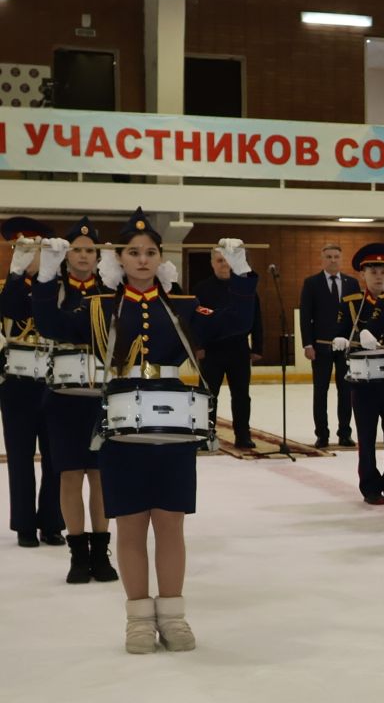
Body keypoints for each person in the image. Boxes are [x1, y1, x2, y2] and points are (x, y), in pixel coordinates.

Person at [32, 212, 256, 651]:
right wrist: (42, 279)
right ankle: (137, 618)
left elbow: (235, 322)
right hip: (120, 431)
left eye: (150, 252)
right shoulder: (99, 307)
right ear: (119, 258)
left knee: (170, 524)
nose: (142, 259)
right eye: (133, 252)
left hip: (172, 430)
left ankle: (172, 615)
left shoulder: (186, 307)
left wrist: (243, 275)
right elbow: (53, 326)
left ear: (160, 259)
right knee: (132, 526)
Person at [38, 219, 116, 582]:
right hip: (64, 397)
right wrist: (43, 279)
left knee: (100, 477)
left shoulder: (110, 287)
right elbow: (47, 325)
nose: (84, 255)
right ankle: (77, 554)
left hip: (101, 396)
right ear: (67, 253)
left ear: (98, 256)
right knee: (69, 475)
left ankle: (101, 552)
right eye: (78, 249)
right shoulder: (52, 287)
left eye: (90, 250)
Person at [1, 218, 66, 548]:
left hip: (54, 382)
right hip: (17, 384)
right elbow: (10, 309)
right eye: (22, 249)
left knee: (56, 458)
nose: (30, 255)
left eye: (35, 248)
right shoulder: (9, 287)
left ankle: (52, 522)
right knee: (20, 457)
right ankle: (24, 524)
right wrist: (15, 274)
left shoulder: (61, 287)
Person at [332, 242, 384, 506]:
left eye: (382, 270)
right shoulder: (352, 303)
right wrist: (344, 340)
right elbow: (340, 332)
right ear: (363, 274)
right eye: (372, 271)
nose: (378, 275)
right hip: (364, 382)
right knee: (367, 436)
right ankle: (370, 485)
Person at [196, 238, 263, 452]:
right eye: (219, 260)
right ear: (212, 263)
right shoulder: (201, 289)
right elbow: (195, 321)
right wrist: (197, 346)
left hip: (238, 350)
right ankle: (206, 433)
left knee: (242, 396)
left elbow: (257, 318)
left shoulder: (244, 288)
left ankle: (243, 435)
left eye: (227, 260)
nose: (224, 264)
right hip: (211, 351)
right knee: (208, 395)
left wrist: (258, 347)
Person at [299, 239, 353, 448]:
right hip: (320, 347)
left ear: (341, 259)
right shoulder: (311, 283)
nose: (332, 260)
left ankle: (345, 433)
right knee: (320, 391)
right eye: (328, 257)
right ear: (322, 259)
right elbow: (305, 316)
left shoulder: (351, 283)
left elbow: (355, 316)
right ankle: (322, 434)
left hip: (345, 347)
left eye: (336, 257)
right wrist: (307, 345)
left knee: (346, 392)